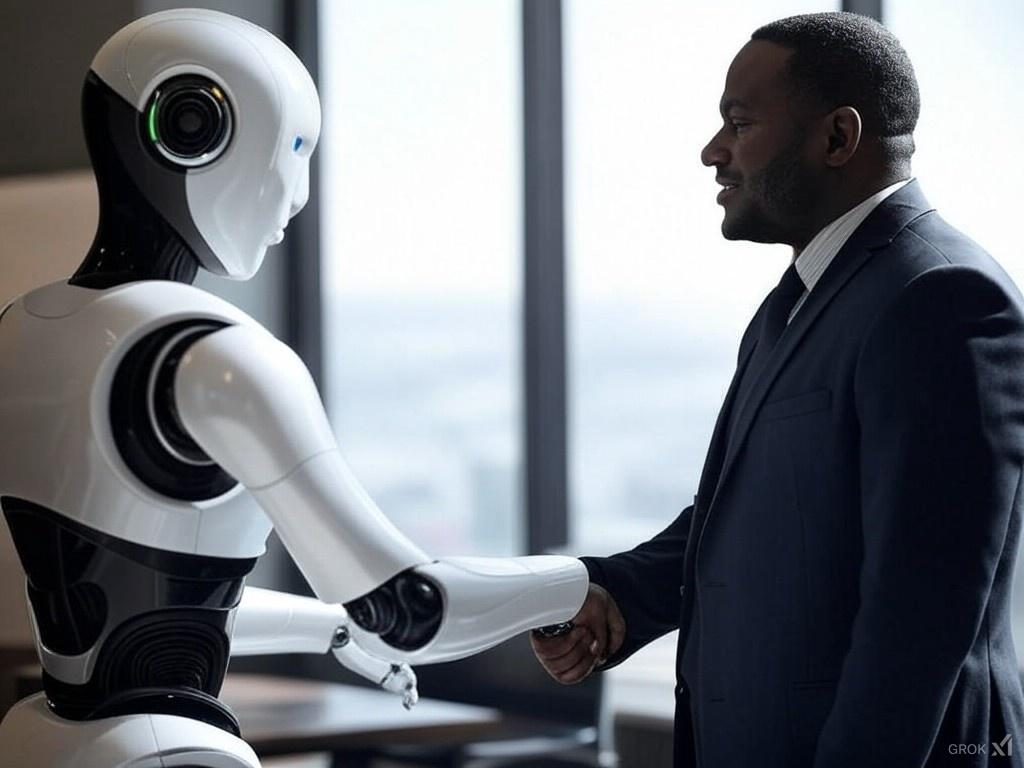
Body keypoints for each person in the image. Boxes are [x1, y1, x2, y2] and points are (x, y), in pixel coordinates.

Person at [531, 11, 1024, 767]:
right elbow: (754, 516)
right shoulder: (797, 301)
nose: (713, 151)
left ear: (837, 138)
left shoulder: (943, 298)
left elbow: (918, 618)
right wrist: (619, 595)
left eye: (740, 122)